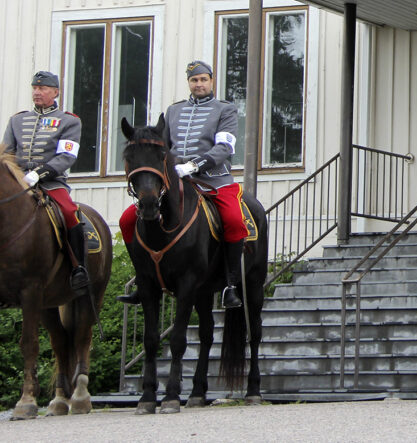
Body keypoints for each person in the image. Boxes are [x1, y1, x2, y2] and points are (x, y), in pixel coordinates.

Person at [118, 61, 248, 308]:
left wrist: (196, 165)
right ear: (189, 83)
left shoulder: (225, 109)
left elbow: (224, 148)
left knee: (233, 220)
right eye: (194, 80)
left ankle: (229, 286)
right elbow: (162, 148)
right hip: (177, 181)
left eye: (203, 80)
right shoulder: (173, 111)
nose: (199, 84)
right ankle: (143, 281)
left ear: (211, 81)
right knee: (127, 220)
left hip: (213, 179)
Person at [3, 71, 89, 291]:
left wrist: (39, 174)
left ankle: (79, 267)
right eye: (34, 88)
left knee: (70, 212)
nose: (36, 92)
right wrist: (17, 176)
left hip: (51, 182)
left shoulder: (69, 121)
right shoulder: (17, 120)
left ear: (55, 92)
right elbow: (7, 153)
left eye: (42, 89)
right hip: (19, 182)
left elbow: (66, 157)